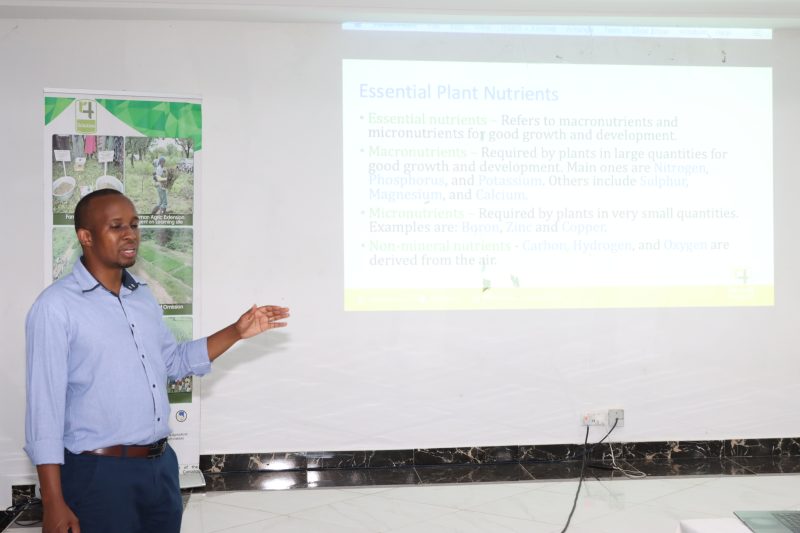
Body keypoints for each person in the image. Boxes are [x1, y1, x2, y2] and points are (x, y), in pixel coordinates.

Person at [24, 189, 290, 533]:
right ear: (85, 237)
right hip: (98, 475)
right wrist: (53, 501)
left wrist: (236, 331)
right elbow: (43, 410)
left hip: (160, 469)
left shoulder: (142, 297)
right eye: (116, 226)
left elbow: (174, 361)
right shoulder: (55, 307)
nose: (130, 234)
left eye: (134, 225)